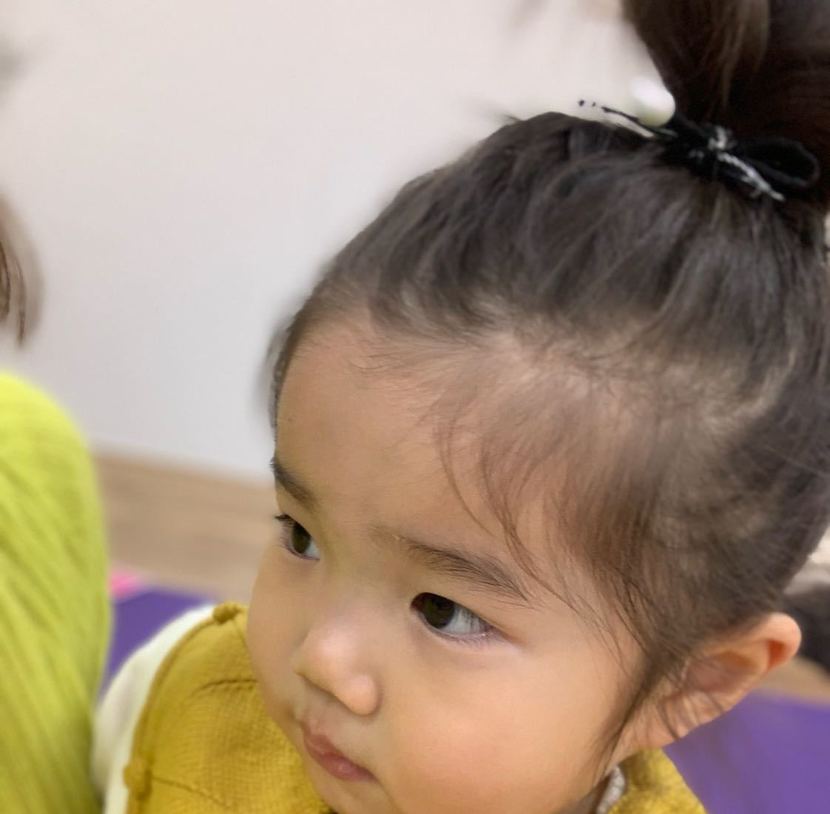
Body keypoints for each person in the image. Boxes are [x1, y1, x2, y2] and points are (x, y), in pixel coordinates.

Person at [7, 0, 830, 812]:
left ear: (690, 683)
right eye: (301, 535)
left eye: (444, 612)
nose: (319, 657)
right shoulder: (187, 694)